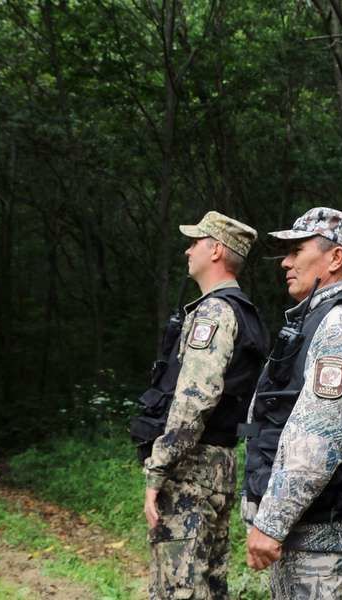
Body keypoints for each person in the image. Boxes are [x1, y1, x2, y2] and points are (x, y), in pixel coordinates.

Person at [240, 207, 342, 599]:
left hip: (318, 530)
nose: (285, 262)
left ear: (335, 257)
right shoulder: (316, 318)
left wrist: (272, 523)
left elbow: (319, 437)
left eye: (296, 250)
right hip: (304, 525)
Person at [143, 211, 269, 599]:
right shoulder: (245, 312)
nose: (188, 250)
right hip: (221, 464)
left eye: (195, 242)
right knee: (211, 586)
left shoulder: (213, 312)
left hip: (191, 468)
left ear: (216, 250)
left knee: (178, 589)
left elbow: (195, 400)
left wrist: (157, 469)